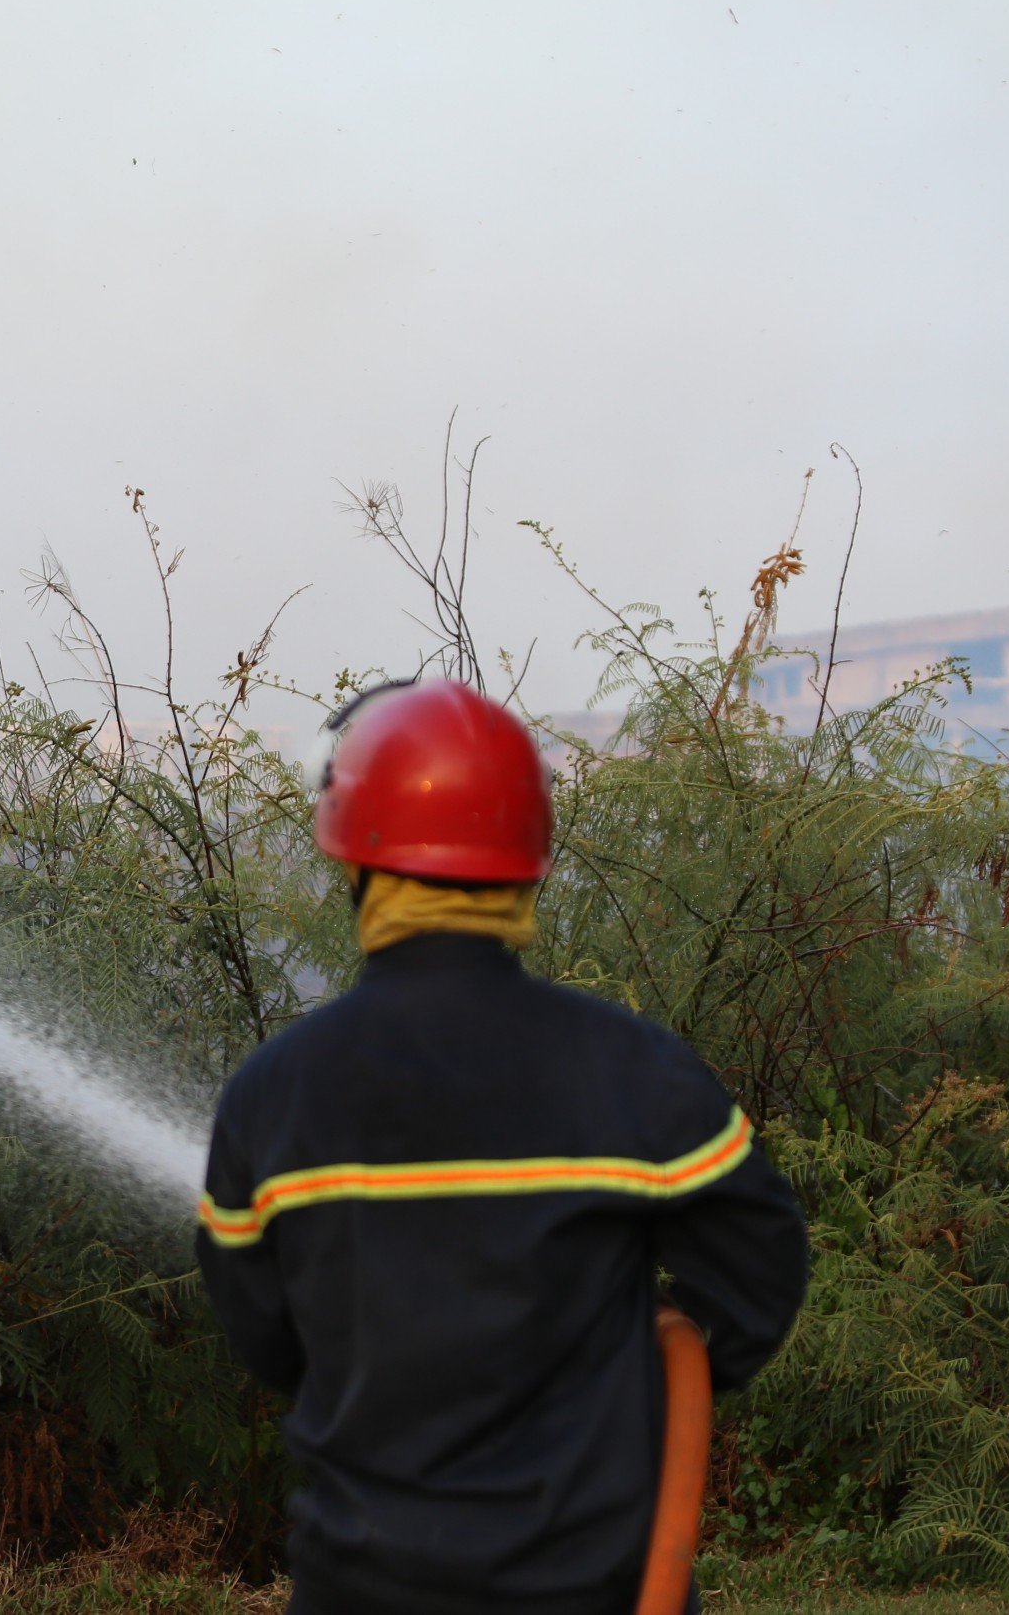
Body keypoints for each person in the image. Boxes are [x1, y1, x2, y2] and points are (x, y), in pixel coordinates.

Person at [197, 679, 810, 1615]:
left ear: (356, 857)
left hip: (362, 1589)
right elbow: (760, 1273)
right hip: (594, 1586)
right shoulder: (635, 1072)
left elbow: (268, 1338)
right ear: (528, 864)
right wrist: (640, 1372)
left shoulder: (273, 1096)